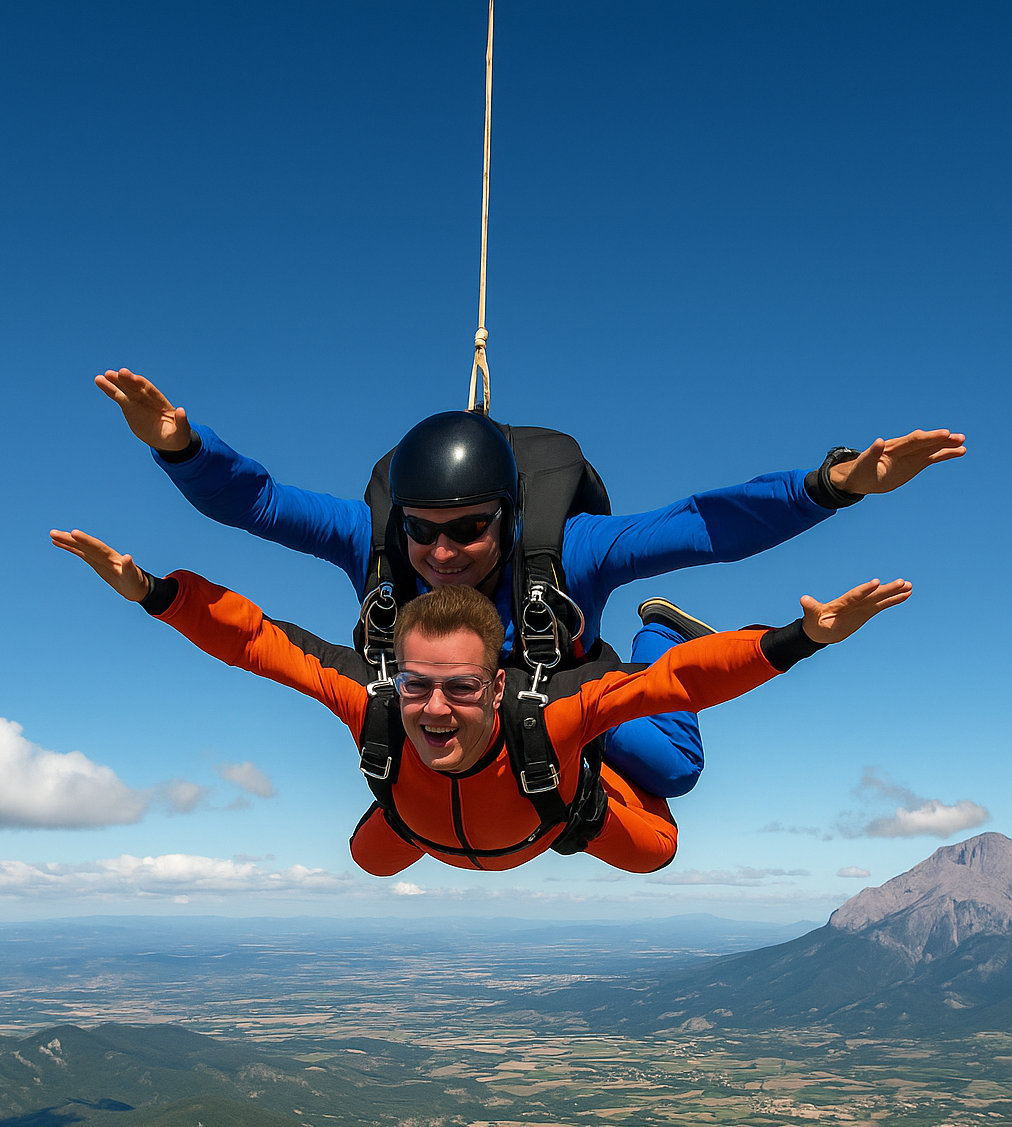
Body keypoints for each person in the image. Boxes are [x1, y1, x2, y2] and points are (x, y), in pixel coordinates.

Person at [94, 368, 962, 797]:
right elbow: (261, 504)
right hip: (467, 694)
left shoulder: (570, 549)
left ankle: (665, 630)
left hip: (567, 676)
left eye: (470, 529)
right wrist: (181, 446)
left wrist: (832, 485)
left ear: (508, 517)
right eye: (423, 532)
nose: (441, 552)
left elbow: (706, 526)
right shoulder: (372, 540)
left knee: (670, 771)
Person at [50, 526, 912, 877]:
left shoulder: (554, 712)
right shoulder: (375, 702)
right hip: (438, 822)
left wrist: (802, 639)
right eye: (417, 684)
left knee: (658, 842)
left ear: (497, 684)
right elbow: (255, 642)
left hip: (549, 804)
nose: (432, 710)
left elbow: (681, 685)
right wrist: (154, 592)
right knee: (371, 859)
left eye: (460, 689)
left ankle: (660, 624)